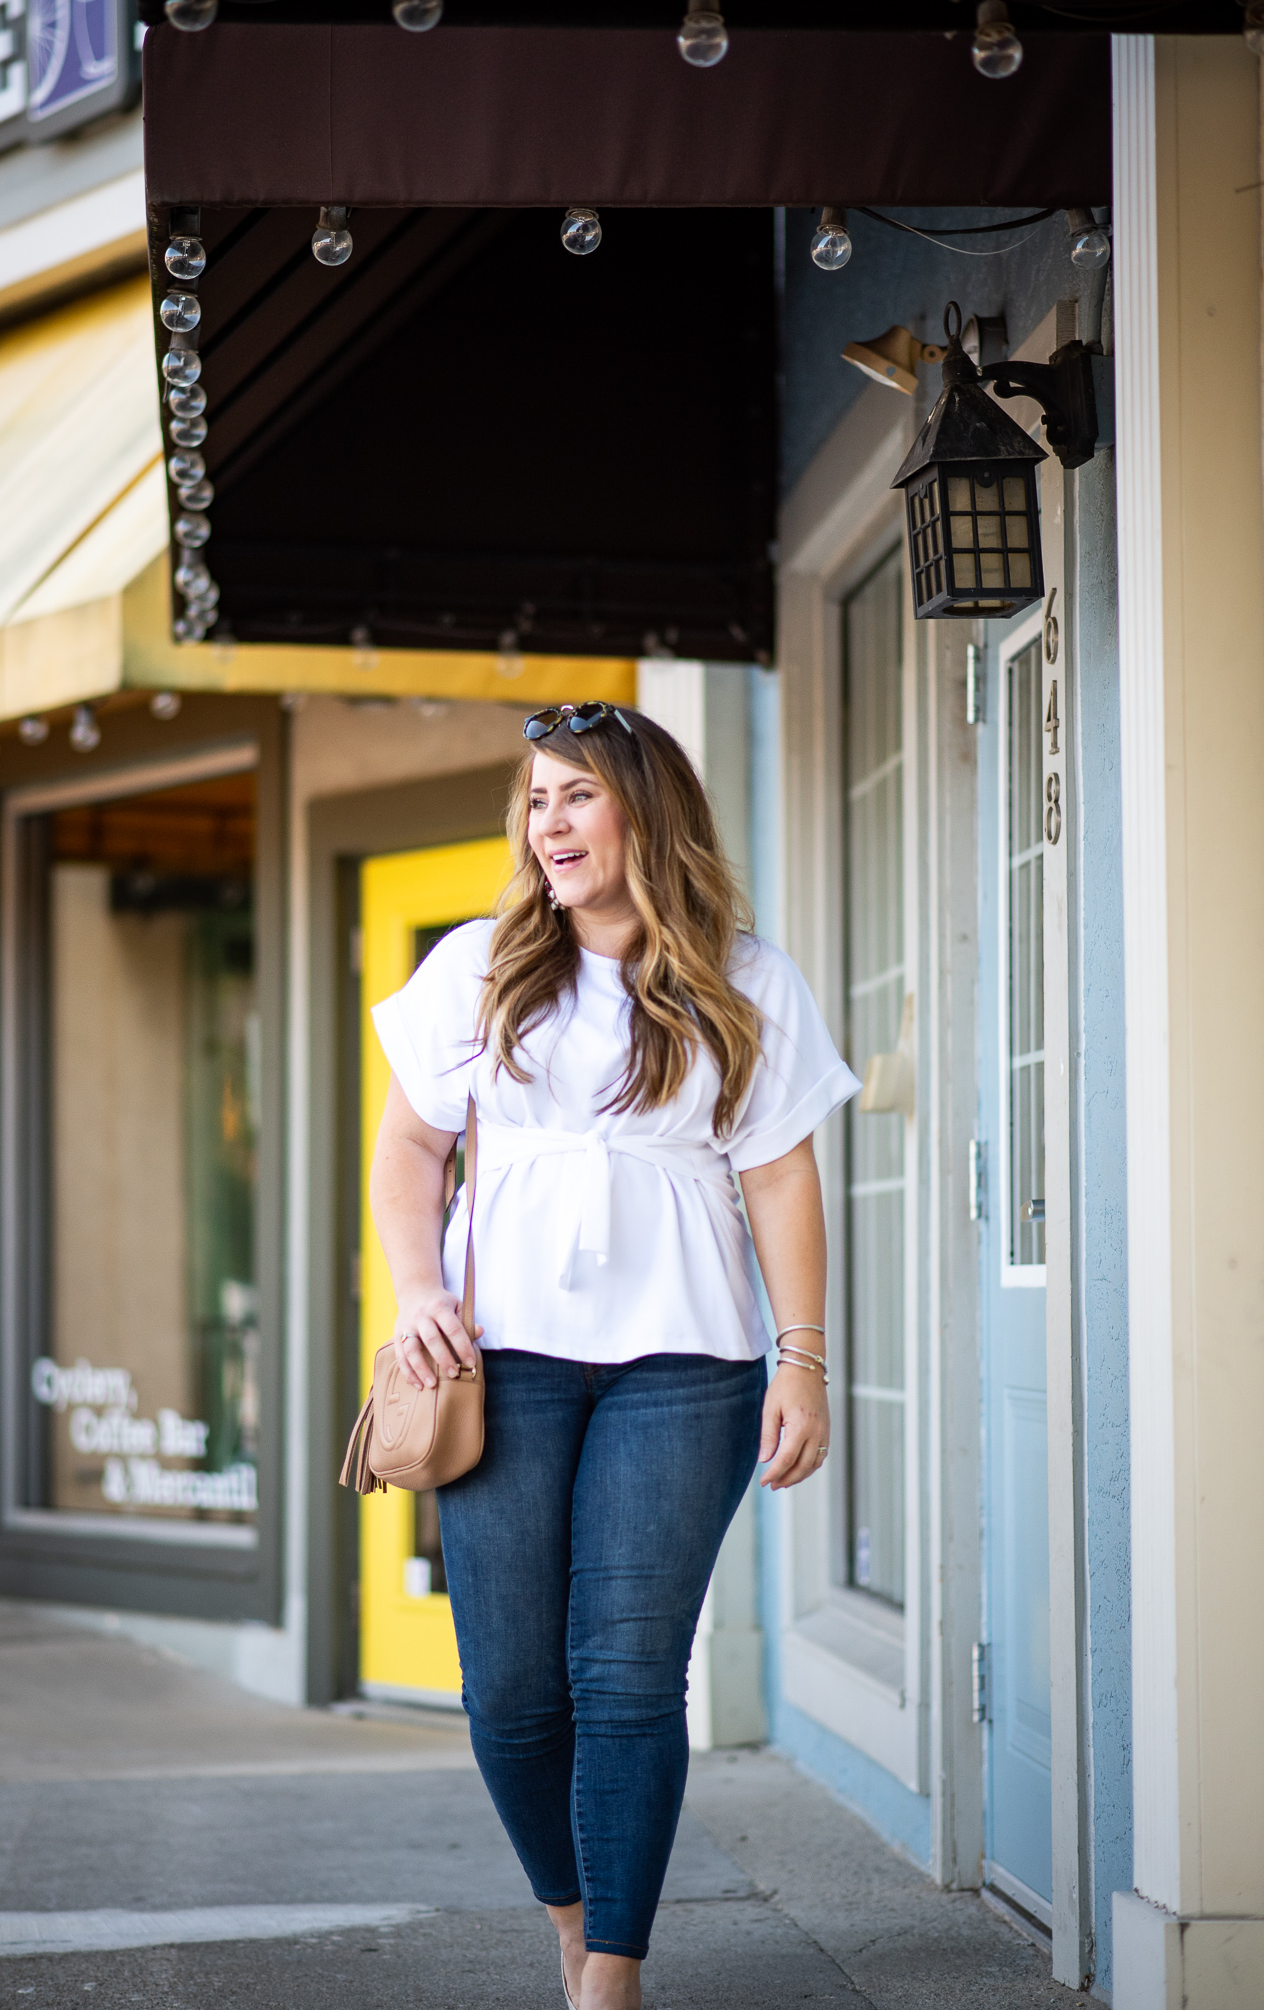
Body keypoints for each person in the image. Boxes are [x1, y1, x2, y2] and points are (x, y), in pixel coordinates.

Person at [369, 701, 860, 2010]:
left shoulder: (748, 980)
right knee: (514, 1696)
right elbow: (409, 1148)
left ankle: (614, 1981)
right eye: (536, 800)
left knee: (630, 1676)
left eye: (575, 794)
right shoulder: (480, 967)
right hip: (503, 1362)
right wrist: (416, 1286)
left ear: (645, 809)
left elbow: (782, 1177)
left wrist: (803, 1358)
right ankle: (574, 1918)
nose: (550, 823)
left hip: (685, 1368)